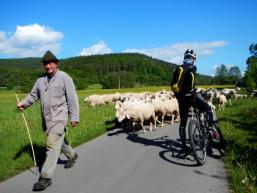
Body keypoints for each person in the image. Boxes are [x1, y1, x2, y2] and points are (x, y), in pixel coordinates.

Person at [17, 50, 79, 191]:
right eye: (45, 63)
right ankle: (72, 155)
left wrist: (74, 117)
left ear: (56, 64)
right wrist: (23, 104)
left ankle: (45, 177)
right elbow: (33, 96)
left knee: (51, 145)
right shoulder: (40, 81)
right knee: (59, 141)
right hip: (47, 120)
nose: (48, 65)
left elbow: (72, 98)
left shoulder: (64, 77)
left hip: (59, 118)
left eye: (50, 62)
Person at [171, 49, 219, 151]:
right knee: (207, 108)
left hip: (181, 99)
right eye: (194, 59)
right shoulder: (192, 67)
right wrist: (192, 90)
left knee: (183, 123)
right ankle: (210, 128)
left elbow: (173, 85)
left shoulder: (177, 68)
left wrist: (179, 96)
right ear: (193, 59)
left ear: (184, 57)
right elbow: (192, 76)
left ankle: (184, 145)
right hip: (191, 97)